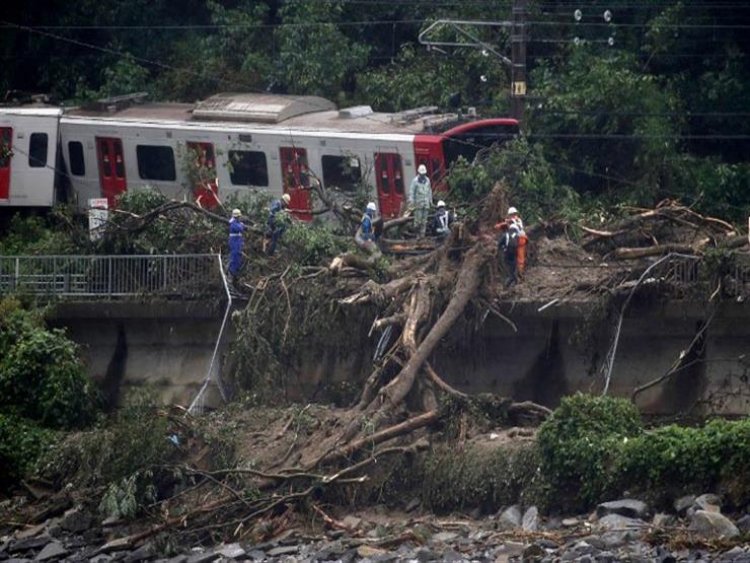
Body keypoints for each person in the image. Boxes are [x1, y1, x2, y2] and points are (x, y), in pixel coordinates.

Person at [497, 206, 527, 287]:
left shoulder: (515, 220)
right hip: (518, 240)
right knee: (517, 259)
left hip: (520, 239)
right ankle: (516, 276)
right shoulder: (514, 221)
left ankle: (519, 276)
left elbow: (506, 223)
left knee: (520, 259)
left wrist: (501, 224)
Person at [408, 164, 432, 237]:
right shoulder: (415, 181)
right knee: (418, 222)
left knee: (424, 221)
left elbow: (429, 191)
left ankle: (422, 236)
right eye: (422, 174)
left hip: (426, 204)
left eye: (424, 174)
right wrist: (411, 202)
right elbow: (411, 192)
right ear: (419, 173)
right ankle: (417, 236)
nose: (423, 175)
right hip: (418, 204)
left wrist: (430, 200)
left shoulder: (427, 180)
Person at [228, 208, 246, 282]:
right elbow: (240, 228)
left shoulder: (236, 222)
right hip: (234, 241)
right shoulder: (233, 223)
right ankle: (232, 272)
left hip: (238, 241)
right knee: (234, 256)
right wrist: (242, 225)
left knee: (238, 256)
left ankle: (236, 273)